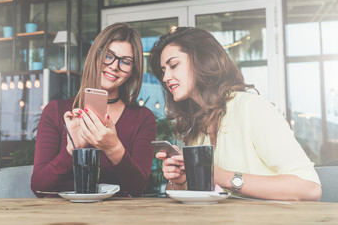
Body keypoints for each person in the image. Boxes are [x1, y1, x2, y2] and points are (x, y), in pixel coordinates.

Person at [150, 27, 321, 201]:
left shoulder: (252, 108)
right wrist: (180, 181)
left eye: (173, 65)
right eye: (163, 71)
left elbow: (309, 188)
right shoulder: (198, 127)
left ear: (203, 60)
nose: (165, 78)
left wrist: (222, 176)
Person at [31, 23, 156, 197]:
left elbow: (137, 188)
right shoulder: (56, 111)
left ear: (133, 71)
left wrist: (113, 147)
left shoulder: (143, 118)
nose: (114, 66)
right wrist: (71, 150)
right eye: (108, 56)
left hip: (116, 218)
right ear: (95, 56)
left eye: (126, 62)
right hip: (61, 218)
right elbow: (38, 187)